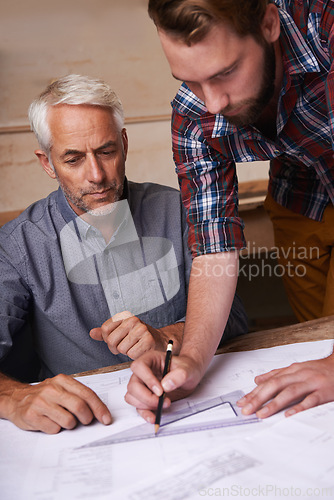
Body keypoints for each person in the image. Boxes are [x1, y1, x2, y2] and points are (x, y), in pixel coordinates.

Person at [0, 74, 247, 434]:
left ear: (124, 144)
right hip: (77, 426)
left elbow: (237, 318)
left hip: (181, 405)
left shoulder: (180, 210)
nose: (97, 175)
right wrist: (14, 397)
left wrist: (167, 338)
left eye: (106, 151)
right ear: (47, 163)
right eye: (73, 159)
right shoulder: (17, 244)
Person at [124, 0, 334, 421]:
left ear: (269, 24)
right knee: (318, 337)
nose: (213, 102)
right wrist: (193, 361)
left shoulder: (326, 29)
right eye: (191, 81)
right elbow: (214, 246)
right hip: (303, 198)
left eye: (224, 73)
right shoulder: (193, 113)